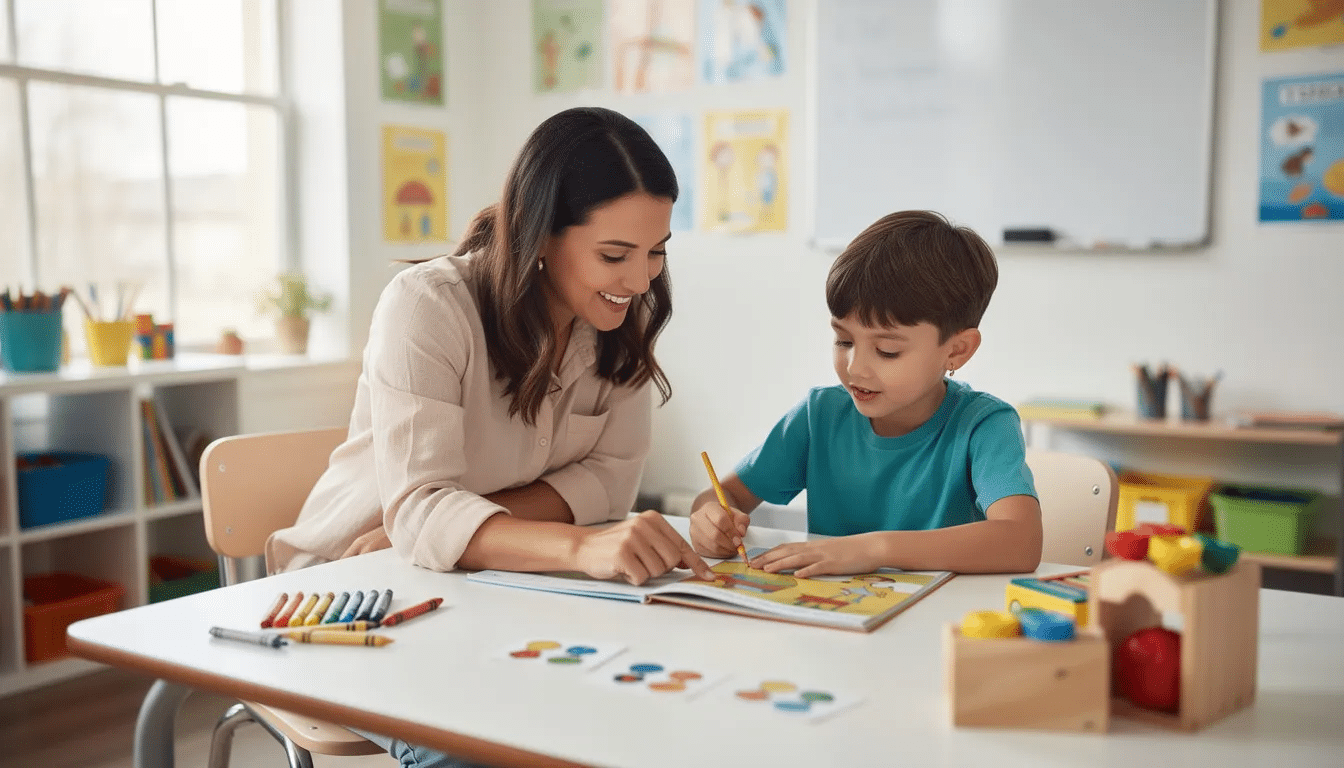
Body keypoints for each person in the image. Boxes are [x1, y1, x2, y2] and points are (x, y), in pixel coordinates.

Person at [267, 106, 712, 768]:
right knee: (481, 743)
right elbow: (421, 513)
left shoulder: (616, 321)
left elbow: (611, 480)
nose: (642, 280)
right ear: (540, 234)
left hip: (493, 584)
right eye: (614, 255)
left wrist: (458, 527)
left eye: (657, 252)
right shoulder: (429, 305)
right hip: (357, 586)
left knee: (631, 709)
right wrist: (574, 544)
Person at [689, 210, 1042, 578]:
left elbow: (1021, 542)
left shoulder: (984, 425)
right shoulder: (819, 416)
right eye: (844, 340)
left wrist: (875, 549)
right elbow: (724, 495)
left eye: (887, 351)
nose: (855, 368)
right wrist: (710, 520)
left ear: (956, 351)